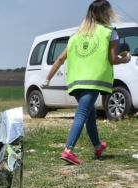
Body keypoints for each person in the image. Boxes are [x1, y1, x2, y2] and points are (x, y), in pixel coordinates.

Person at [42, 0, 132, 165]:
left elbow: (60, 58)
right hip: (93, 80)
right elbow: (113, 59)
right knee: (82, 114)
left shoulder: (76, 35)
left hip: (75, 82)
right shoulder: (109, 32)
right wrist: (125, 59)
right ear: (106, 13)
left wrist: (47, 79)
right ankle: (68, 150)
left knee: (90, 115)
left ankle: (98, 146)